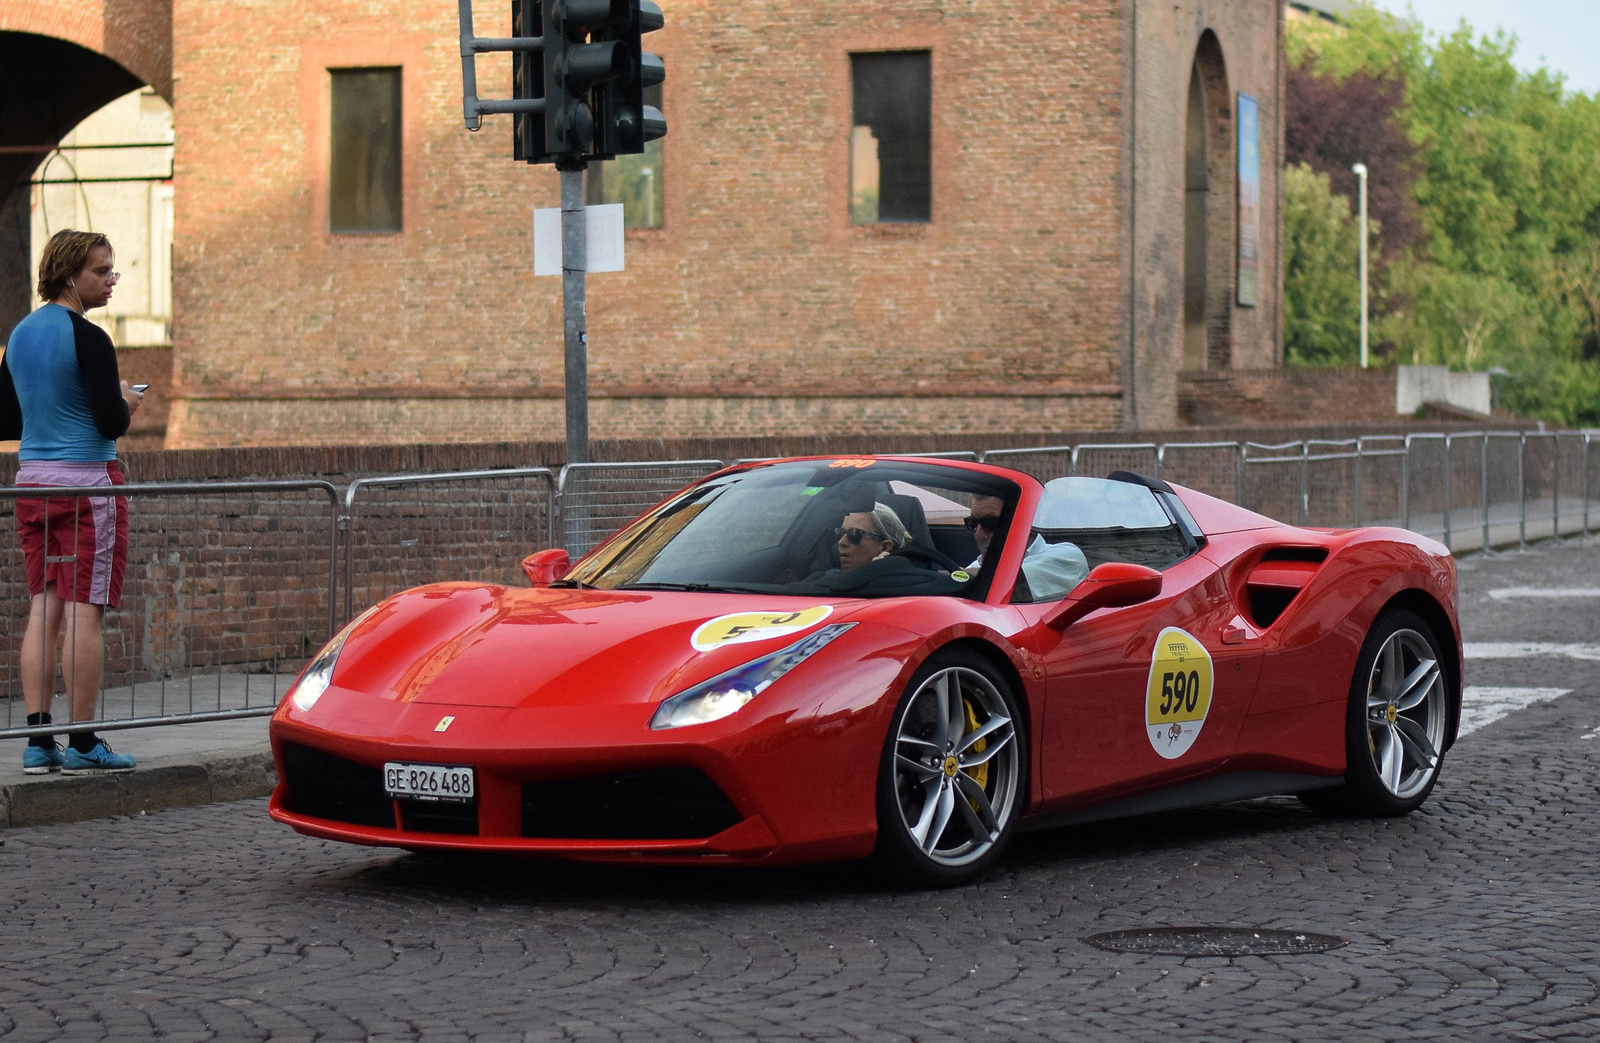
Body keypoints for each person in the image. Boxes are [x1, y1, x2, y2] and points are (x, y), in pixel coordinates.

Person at [0, 230, 144, 774]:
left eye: (113, 270)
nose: (111, 280)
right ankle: (83, 741)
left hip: (32, 484)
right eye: (101, 272)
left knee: (44, 606)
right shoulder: (90, 337)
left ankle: (39, 742)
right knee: (87, 610)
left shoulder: (19, 335)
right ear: (69, 277)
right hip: (87, 484)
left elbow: (7, 422)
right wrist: (127, 399)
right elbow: (111, 422)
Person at [963, 494, 1004, 569]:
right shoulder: (975, 568)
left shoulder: (1031, 567)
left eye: (989, 523)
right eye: (973, 522)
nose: (978, 535)